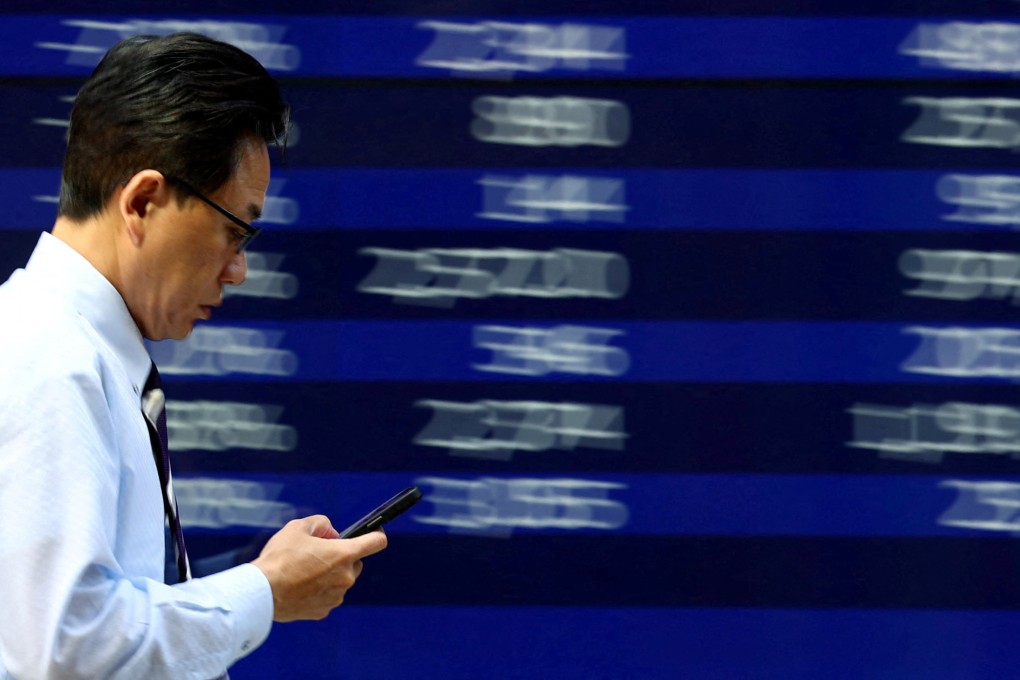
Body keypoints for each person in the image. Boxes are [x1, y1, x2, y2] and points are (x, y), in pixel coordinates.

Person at [0, 33, 387, 679]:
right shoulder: (50, 358)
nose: (237, 270)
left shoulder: (69, 349)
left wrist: (250, 583)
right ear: (143, 201)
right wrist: (262, 591)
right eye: (233, 231)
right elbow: (65, 648)